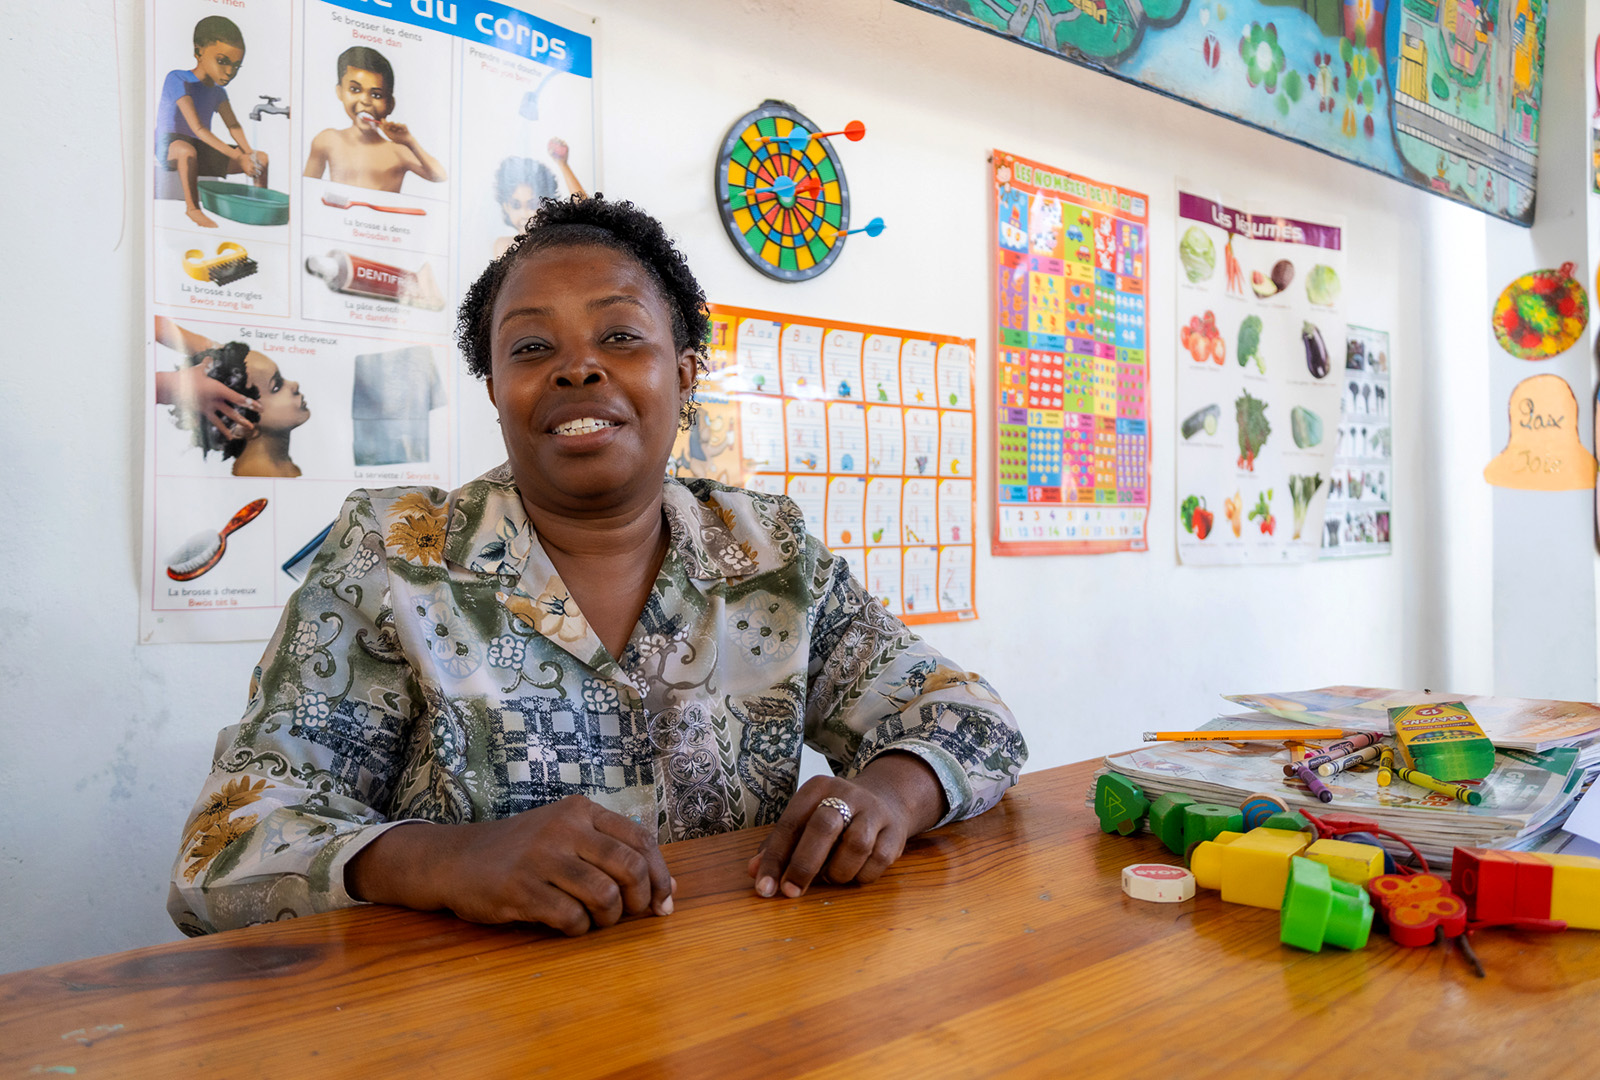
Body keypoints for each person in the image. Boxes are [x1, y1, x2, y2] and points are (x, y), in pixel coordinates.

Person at [169, 196, 1024, 938]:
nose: (577, 366)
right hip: (476, 1025)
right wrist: (446, 862)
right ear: (498, 390)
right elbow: (223, 851)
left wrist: (887, 795)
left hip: (738, 1011)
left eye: (620, 335)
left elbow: (971, 718)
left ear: (684, 374)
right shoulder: (395, 553)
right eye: (531, 349)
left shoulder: (767, 551)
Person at [155, 316, 311, 478]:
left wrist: (216, 351)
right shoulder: (255, 476)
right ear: (239, 423)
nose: (295, 384)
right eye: (276, 386)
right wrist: (174, 385)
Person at [155, 16, 268, 228]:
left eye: (236, 66)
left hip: (203, 147)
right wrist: (237, 155)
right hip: (171, 144)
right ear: (198, 52)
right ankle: (193, 209)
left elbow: (233, 126)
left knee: (261, 158)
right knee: (186, 151)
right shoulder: (177, 79)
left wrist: (249, 154)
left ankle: (258, 206)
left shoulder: (218, 91)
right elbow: (197, 128)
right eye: (222, 61)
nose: (229, 72)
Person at [303, 46, 447, 193]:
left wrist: (410, 141)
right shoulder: (327, 139)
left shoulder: (399, 151)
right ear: (340, 92)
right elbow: (306, 188)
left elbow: (440, 176)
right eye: (355, 89)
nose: (365, 101)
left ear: (390, 104)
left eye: (376, 95)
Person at [491, 140, 589, 258]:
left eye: (532, 205)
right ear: (506, 206)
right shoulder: (503, 245)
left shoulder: (555, 243)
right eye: (516, 205)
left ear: (546, 205)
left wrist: (563, 165)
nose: (524, 214)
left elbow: (586, 211)